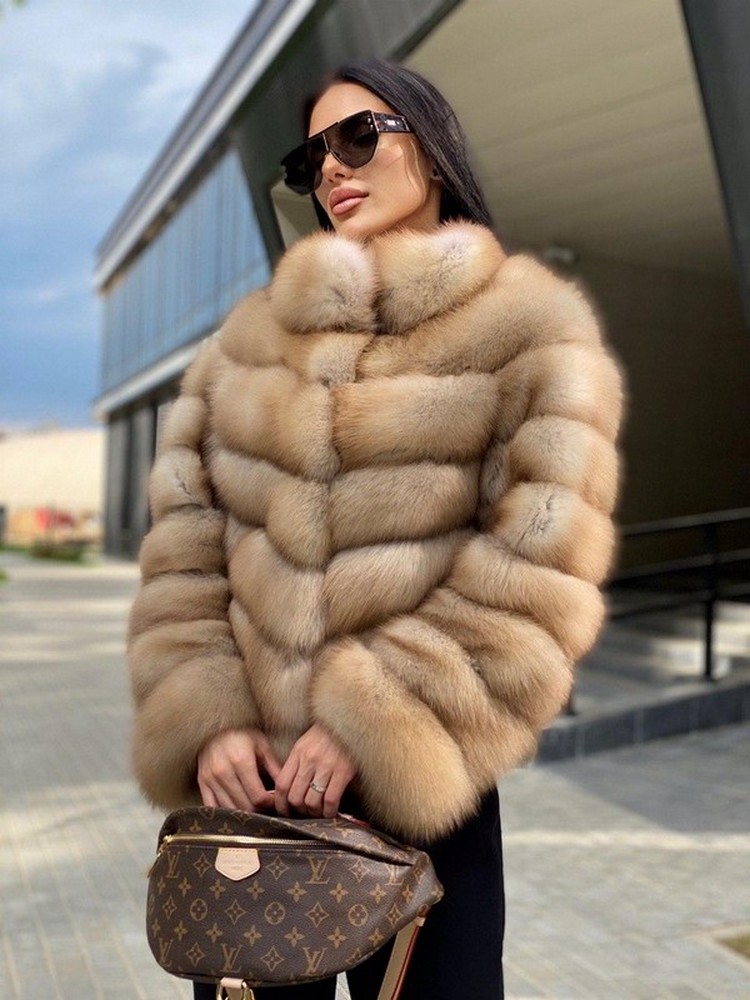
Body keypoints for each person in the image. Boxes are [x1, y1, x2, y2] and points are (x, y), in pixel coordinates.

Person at [128, 59, 624, 1000]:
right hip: (254, 806)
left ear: (430, 147)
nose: (330, 168)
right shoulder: (243, 348)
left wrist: (377, 714)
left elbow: (540, 561)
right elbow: (183, 557)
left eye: (358, 136)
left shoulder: (531, 329)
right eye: (307, 157)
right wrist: (208, 720)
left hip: (424, 795)